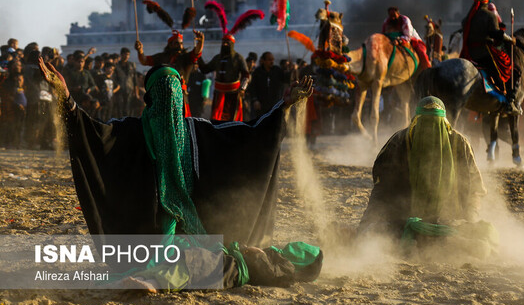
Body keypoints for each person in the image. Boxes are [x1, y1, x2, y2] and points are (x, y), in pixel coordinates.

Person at [38, 57, 320, 290]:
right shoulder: (132, 133)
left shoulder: (197, 131)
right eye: (162, 93)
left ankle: (157, 278)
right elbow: (94, 135)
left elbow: (248, 136)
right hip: (147, 237)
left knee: (202, 260)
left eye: (174, 92)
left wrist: (283, 106)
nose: (169, 100)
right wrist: (67, 99)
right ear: (150, 100)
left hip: (197, 233)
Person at [358, 96, 486, 240]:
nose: (430, 131)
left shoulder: (460, 143)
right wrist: (366, 223)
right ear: (415, 123)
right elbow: (381, 188)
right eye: (425, 124)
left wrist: (470, 223)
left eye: (435, 125)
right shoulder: (399, 142)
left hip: (449, 222)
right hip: (403, 221)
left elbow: (474, 189)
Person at [134, 30, 204, 116]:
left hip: (180, 95)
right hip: (163, 95)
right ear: (170, 44)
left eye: (181, 43)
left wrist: (200, 42)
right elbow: (144, 61)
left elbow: (196, 53)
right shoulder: (161, 57)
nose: (180, 46)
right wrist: (140, 51)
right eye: (177, 43)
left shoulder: (185, 58)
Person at [198, 34, 250, 121]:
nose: (225, 44)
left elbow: (246, 75)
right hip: (219, 94)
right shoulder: (217, 58)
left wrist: (242, 88)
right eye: (223, 42)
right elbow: (205, 69)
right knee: (216, 119)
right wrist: (198, 54)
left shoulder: (238, 58)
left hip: (233, 94)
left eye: (227, 42)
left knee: (232, 118)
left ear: (232, 44)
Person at [247, 52, 291, 119]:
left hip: (275, 105)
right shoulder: (257, 72)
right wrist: (255, 100)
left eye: (273, 60)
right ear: (264, 61)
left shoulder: (277, 70)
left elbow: (286, 79)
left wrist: (292, 71)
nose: (272, 62)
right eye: (269, 60)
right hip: (261, 105)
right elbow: (252, 87)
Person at [115, 47, 138, 116]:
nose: (127, 56)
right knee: (120, 109)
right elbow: (115, 79)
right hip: (120, 90)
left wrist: (136, 92)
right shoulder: (116, 66)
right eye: (125, 54)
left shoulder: (132, 65)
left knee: (129, 109)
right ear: (121, 55)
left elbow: (135, 80)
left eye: (128, 55)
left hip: (130, 89)